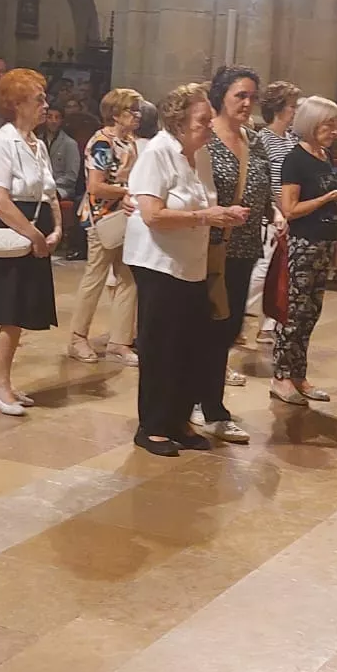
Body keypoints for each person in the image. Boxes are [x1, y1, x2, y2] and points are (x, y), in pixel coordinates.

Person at [126, 83, 245, 454]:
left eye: (210, 119)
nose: (210, 126)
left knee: (190, 348)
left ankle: (180, 421)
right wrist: (204, 216)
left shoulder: (201, 155)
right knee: (161, 348)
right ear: (178, 122)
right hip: (158, 263)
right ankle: (153, 427)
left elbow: (204, 202)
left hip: (191, 264)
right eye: (202, 120)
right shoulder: (157, 154)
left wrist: (220, 217)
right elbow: (151, 214)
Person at [0, 68, 62, 415]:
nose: (46, 105)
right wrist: (33, 235)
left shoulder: (38, 144)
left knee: (23, 314)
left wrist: (57, 229)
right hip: (15, 233)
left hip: (37, 235)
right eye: (39, 99)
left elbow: (49, 192)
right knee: (10, 314)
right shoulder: (0, 143)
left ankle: (7, 383)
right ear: (17, 104)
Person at [195, 66, 270, 436]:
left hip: (244, 246)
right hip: (209, 248)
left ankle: (207, 399)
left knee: (230, 329)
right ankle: (207, 405)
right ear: (221, 95)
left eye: (252, 96)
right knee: (209, 327)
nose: (246, 102)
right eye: (240, 95)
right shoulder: (204, 139)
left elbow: (265, 183)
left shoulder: (254, 140)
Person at [273, 96, 337, 405]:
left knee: (311, 312)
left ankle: (299, 374)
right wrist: (330, 197)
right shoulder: (295, 159)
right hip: (303, 243)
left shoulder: (325, 155)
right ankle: (281, 376)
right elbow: (290, 208)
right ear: (311, 125)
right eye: (329, 124)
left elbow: (326, 194)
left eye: (335, 123)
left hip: (324, 242)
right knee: (293, 313)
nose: (335, 129)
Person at [67, 86, 142, 365]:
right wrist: (127, 192)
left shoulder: (129, 141)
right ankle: (77, 337)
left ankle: (120, 341)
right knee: (94, 278)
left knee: (128, 278)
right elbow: (95, 186)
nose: (136, 116)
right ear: (115, 114)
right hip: (102, 217)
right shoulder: (102, 143)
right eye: (130, 111)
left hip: (126, 217)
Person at [251, 80, 301, 342]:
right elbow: (266, 178)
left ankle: (268, 325)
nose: (295, 111)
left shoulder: (292, 139)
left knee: (282, 270)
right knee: (262, 270)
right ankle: (239, 319)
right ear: (279, 108)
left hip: (291, 209)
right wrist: (277, 210)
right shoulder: (263, 139)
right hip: (272, 212)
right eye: (292, 106)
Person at [39, 104, 82, 201]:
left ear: (62, 120)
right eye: (49, 117)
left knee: (46, 198)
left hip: (62, 188)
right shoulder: (37, 141)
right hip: (39, 186)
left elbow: (71, 176)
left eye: (57, 117)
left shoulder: (70, 143)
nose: (53, 121)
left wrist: (50, 184)